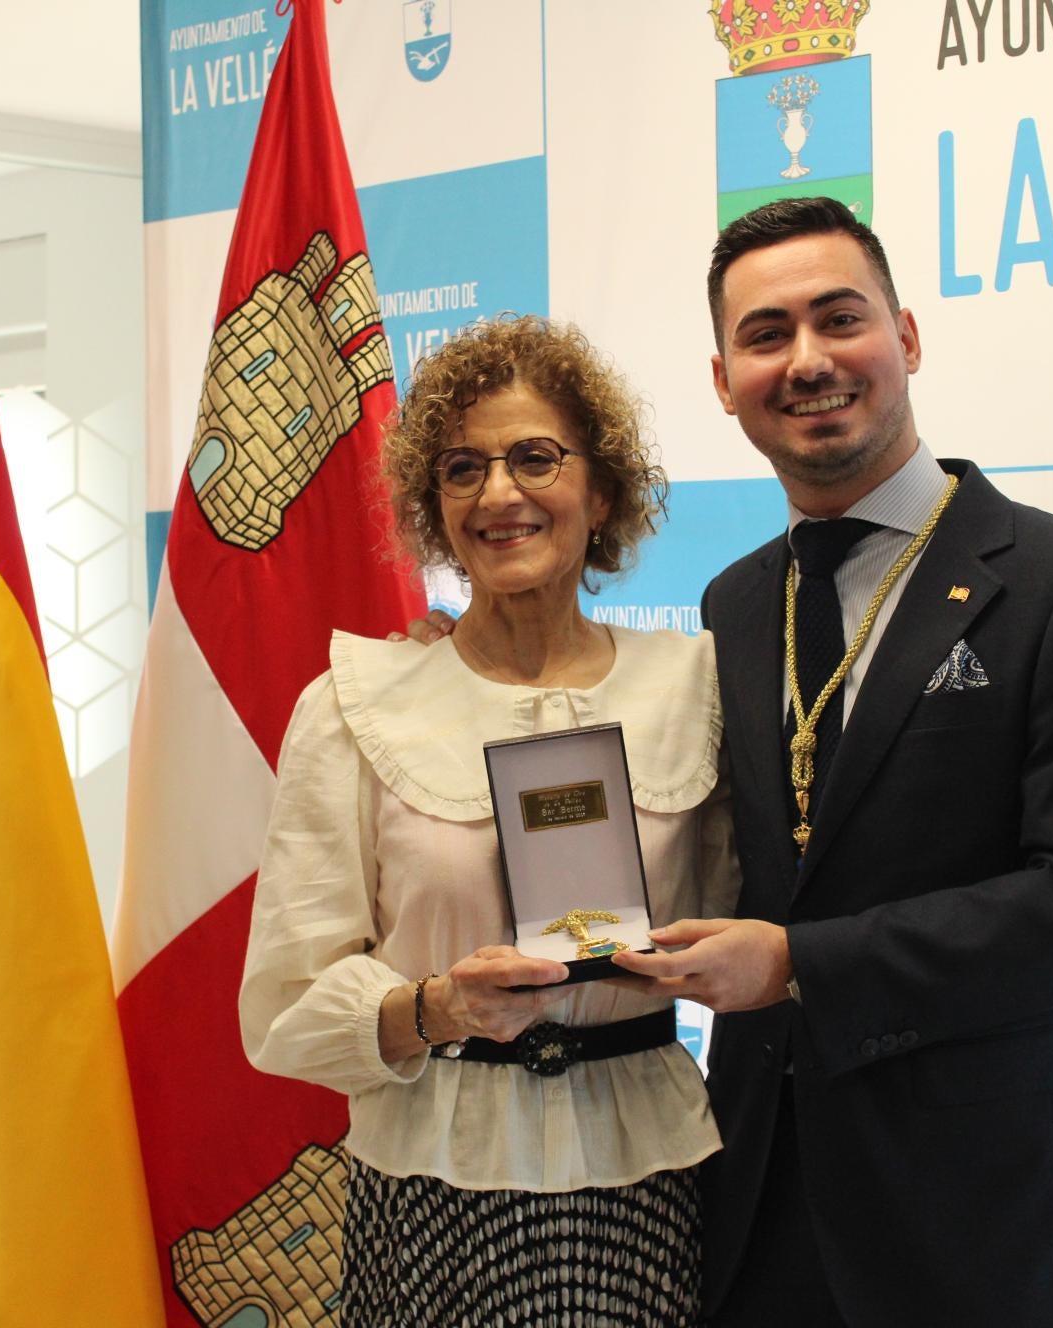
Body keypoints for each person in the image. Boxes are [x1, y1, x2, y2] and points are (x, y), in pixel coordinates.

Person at [606, 197, 1053, 1326]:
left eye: (840, 318)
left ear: (908, 337)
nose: (809, 360)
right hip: (760, 1207)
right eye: (766, 335)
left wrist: (799, 963)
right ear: (724, 381)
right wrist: (475, 656)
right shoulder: (732, 599)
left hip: (984, 1220)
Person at [238, 315, 737, 1327]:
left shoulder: (698, 684)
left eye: (535, 458)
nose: (499, 493)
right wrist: (436, 1007)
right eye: (463, 469)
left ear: (600, 492)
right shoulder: (356, 701)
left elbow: (764, 909)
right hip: (429, 1187)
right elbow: (283, 1006)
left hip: (645, 1172)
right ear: (434, 508)